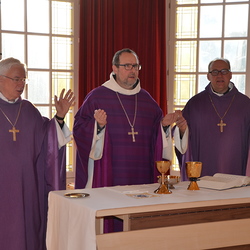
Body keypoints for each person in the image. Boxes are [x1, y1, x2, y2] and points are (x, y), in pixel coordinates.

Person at [73, 48, 188, 189]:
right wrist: (99, 127)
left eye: (135, 66)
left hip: (142, 174)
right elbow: (79, 129)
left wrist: (163, 126)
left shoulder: (147, 101)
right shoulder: (97, 97)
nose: (132, 70)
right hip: (110, 173)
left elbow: (156, 140)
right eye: (127, 66)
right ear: (115, 68)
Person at [0, 57, 75, 250]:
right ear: (1, 79)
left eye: (23, 80)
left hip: (27, 189)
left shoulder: (29, 110)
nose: (21, 84)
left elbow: (48, 141)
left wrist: (59, 117)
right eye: (16, 79)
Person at [178, 58, 250, 180]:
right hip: (204, 171)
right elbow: (183, 141)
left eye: (224, 71)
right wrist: (182, 130)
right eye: (215, 72)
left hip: (237, 170)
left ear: (231, 75)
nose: (220, 75)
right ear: (208, 76)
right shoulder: (195, 104)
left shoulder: (245, 104)